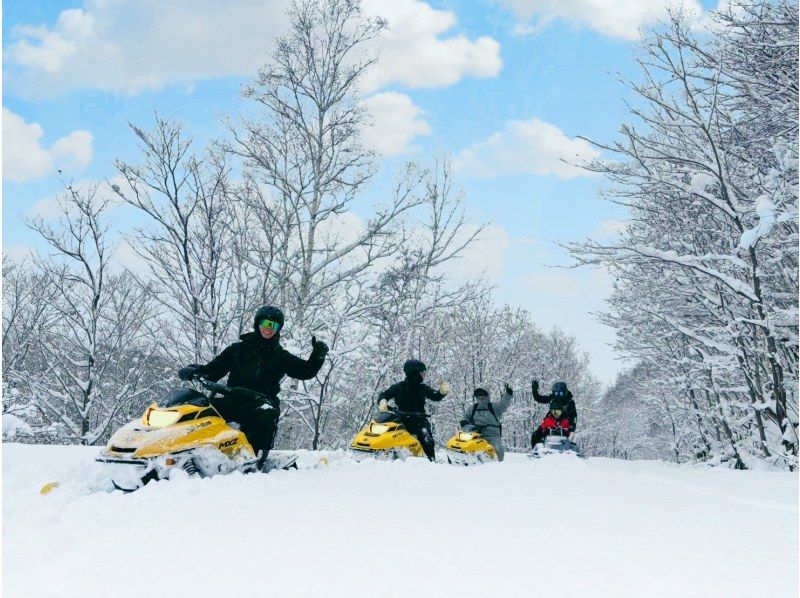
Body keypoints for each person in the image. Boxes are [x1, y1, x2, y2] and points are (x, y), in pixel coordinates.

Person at [177, 306, 328, 466]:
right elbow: (213, 370)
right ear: (258, 324)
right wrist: (194, 371)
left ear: (278, 329)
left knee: (264, 414)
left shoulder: (281, 356)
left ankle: (251, 461)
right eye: (265, 323)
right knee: (200, 409)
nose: (268, 329)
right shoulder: (237, 349)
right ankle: (183, 453)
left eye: (274, 325)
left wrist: (317, 356)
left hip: (260, 403)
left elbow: (305, 371)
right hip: (233, 399)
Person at [377, 359, 451, 461]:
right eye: (422, 372)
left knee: (426, 436)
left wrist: (442, 392)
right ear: (415, 373)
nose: (424, 375)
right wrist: (382, 401)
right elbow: (384, 394)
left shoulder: (422, 387)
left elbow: (435, 396)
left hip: (419, 420)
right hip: (401, 420)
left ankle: (431, 461)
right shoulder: (399, 386)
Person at [459, 383, 513, 461]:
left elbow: (503, 405)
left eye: (483, 395)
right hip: (476, 433)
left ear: (487, 396)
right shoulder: (473, 408)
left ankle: (499, 465)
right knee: (466, 446)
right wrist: (464, 422)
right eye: (478, 396)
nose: (480, 398)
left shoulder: (493, 407)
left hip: (492, 435)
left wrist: (508, 394)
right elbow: (465, 417)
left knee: (498, 449)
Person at [530, 380, 577, 448]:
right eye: (556, 393)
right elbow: (539, 399)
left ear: (565, 392)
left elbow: (574, 415)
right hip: (551, 420)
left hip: (565, 423)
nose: (558, 395)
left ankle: (566, 452)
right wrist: (534, 390)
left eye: (560, 393)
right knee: (536, 435)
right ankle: (537, 452)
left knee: (565, 438)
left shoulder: (570, 401)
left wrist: (572, 426)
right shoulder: (553, 397)